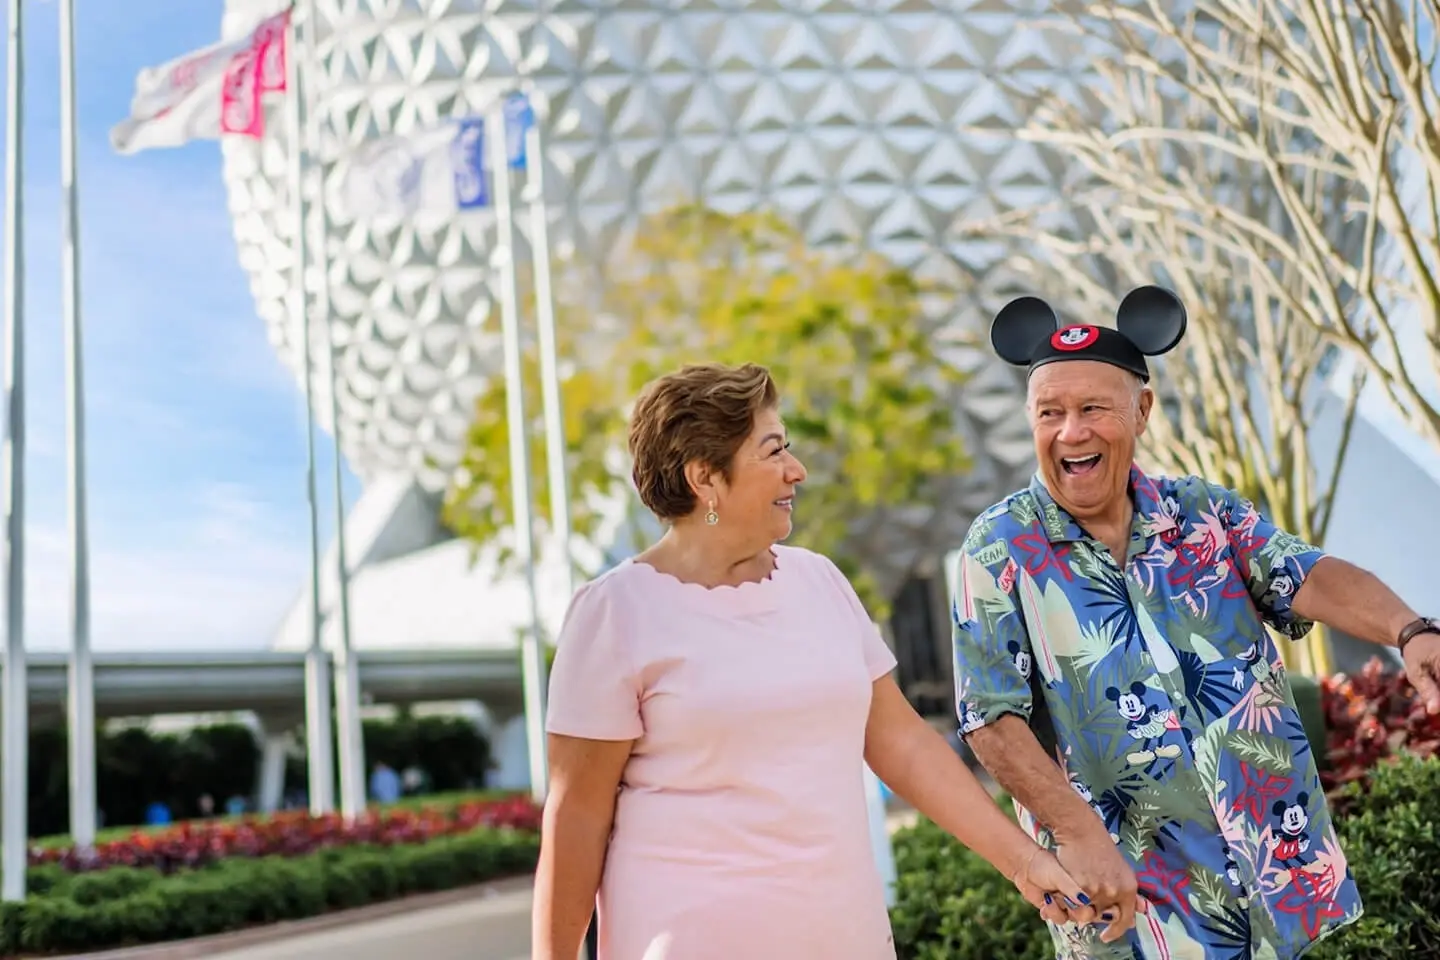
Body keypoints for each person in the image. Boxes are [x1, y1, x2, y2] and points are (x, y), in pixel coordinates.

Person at [533, 362, 1107, 960]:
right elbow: (576, 818)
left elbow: (903, 745)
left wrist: (1022, 862)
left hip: (845, 937)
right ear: (706, 477)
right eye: (773, 450)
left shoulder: (819, 581)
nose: (796, 470)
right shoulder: (615, 613)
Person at [952, 286, 1440, 958]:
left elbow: (1306, 573)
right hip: (1128, 896)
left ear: (1142, 409)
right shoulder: (1000, 545)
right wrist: (1079, 834)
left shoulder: (1203, 513)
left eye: (1093, 408)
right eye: (1050, 413)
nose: (1071, 432)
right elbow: (989, 720)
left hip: (1268, 872)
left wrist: (1410, 630)